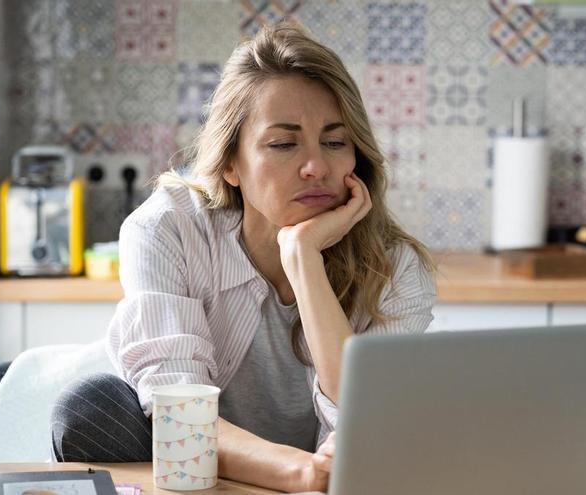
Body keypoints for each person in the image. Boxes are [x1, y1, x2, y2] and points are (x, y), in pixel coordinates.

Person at [50, 21, 436, 493]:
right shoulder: (167, 228)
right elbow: (179, 411)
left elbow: (368, 419)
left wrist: (303, 259)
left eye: (335, 142)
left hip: (334, 479)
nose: (316, 166)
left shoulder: (395, 267)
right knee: (90, 407)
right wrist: (302, 471)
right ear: (230, 163)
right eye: (283, 143)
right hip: (200, 471)